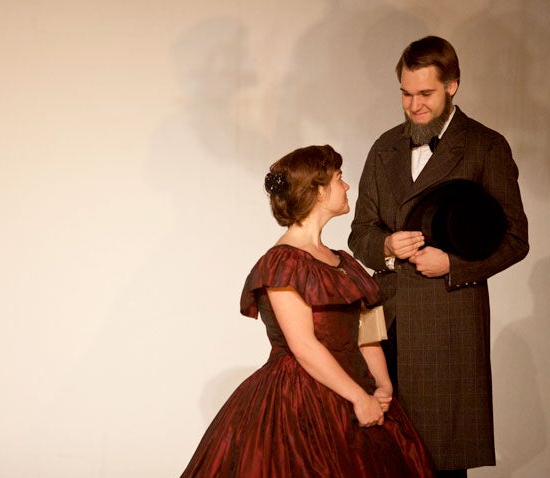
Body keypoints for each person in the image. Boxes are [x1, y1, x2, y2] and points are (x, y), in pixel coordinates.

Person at [181, 145, 434, 477]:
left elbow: (367, 329)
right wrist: (359, 398)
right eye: (339, 179)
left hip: (358, 388)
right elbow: (303, 344)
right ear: (318, 191)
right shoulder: (282, 261)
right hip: (300, 398)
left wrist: (383, 386)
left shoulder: (344, 262)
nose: (346, 187)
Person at [348, 36, 529, 477]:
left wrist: (454, 266)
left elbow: (515, 238)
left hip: (449, 322)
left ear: (453, 86)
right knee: (383, 455)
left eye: (425, 93)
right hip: (387, 322)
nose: (414, 105)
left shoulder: (486, 146)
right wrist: (387, 249)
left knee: (441, 458)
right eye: (406, 94)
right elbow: (360, 234)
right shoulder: (384, 147)